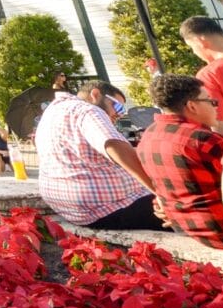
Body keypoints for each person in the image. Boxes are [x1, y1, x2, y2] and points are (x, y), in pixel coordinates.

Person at [137, 73, 223, 252]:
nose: (216, 108)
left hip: (187, 229)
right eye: (211, 102)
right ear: (192, 106)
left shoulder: (148, 135)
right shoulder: (203, 140)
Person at [34, 87, 164, 229]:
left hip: (77, 210)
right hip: (110, 208)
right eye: (117, 106)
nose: (119, 113)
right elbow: (112, 144)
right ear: (95, 94)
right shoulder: (87, 110)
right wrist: (161, 192)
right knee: (187, 206)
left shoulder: (53, 112)